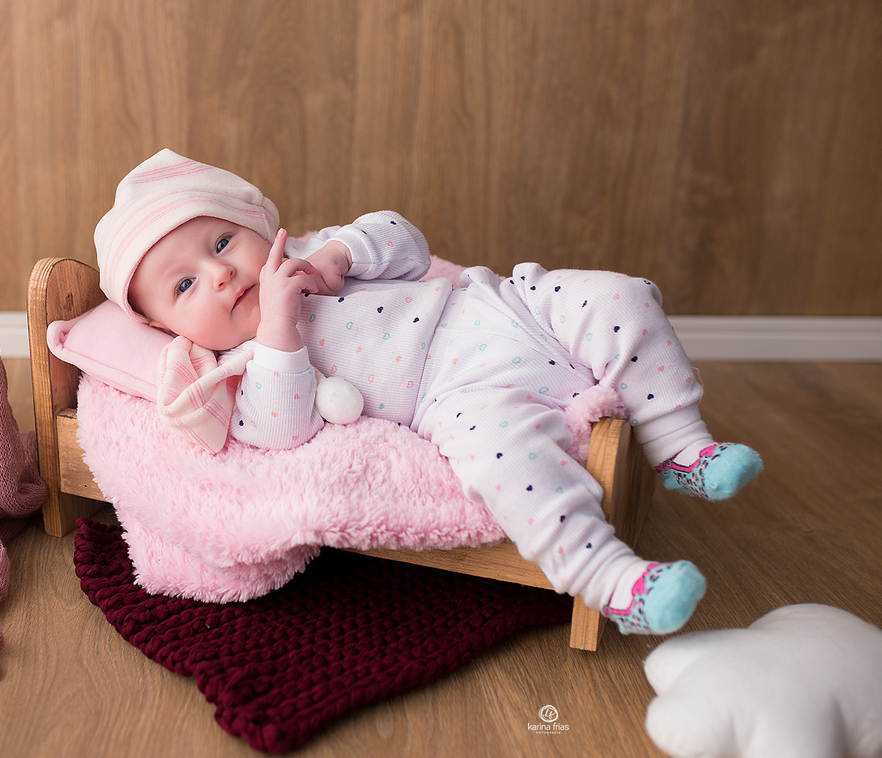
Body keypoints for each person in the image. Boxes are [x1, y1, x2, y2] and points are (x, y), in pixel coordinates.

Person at [95, 148, 763, 636]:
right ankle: (612, 581)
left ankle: (681, 448)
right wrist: (277, 327)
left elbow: (406, 240)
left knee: (620, 295)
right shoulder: (241, 365)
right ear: (161, 326)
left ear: (262, 228)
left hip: (501, 307)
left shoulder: (319, 252)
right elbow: (281, 430)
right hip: (457, 393)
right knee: (507, 465)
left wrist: (340, 256)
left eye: (222, 242)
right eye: (184, 286)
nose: (218, 274)